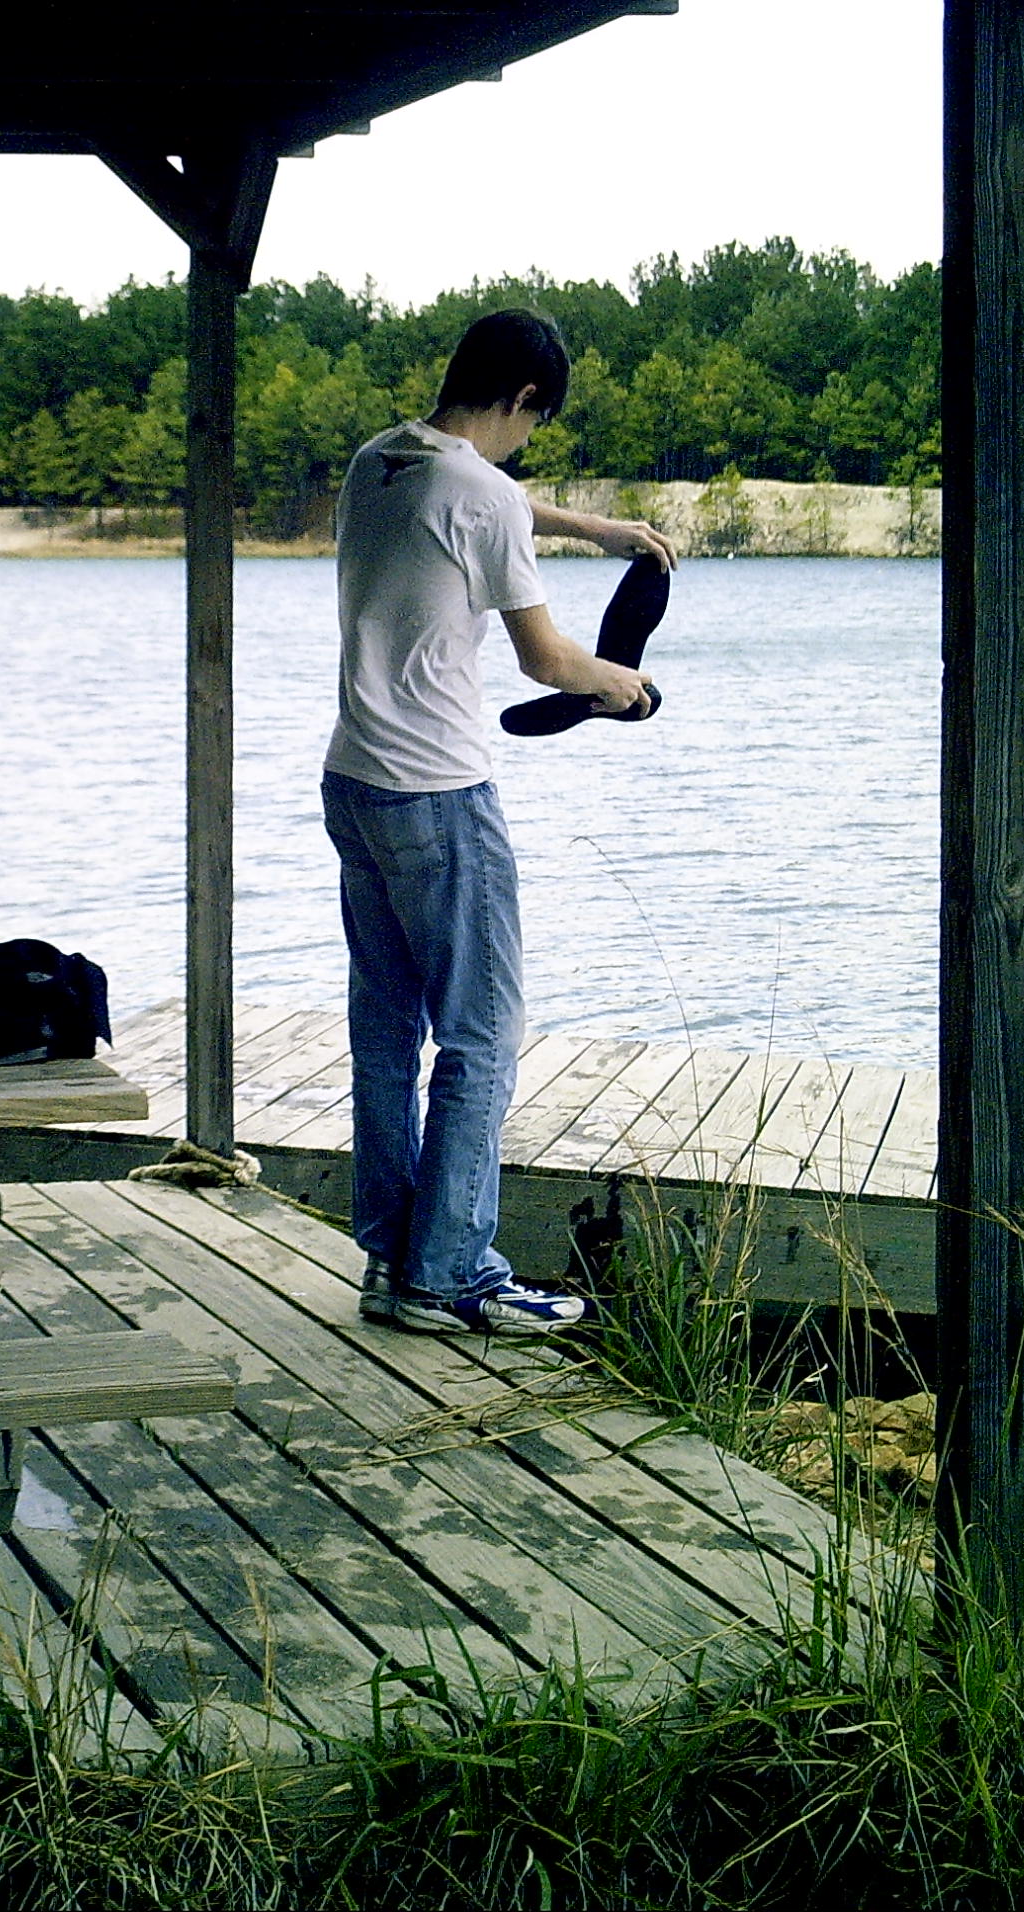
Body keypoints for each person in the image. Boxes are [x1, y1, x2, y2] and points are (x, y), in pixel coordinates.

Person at [322, 308, 675, 1334]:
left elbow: (492, 502)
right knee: (480, 1037)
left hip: (355, 783)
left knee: (387, 1034)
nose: (530, 443)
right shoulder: (478, 494)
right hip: (440, 794)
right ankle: (452, 1274)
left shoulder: (381, 461)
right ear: (522, 399)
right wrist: (624, 688)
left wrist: (601, 532)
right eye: (536, 422)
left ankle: (393, 1264)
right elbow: (546, 665)